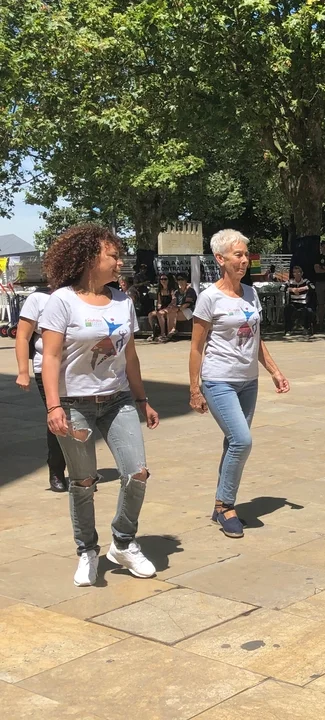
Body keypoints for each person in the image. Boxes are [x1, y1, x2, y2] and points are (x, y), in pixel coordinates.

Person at [39, 224, 160, 587]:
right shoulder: (62, 300)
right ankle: (87, 550)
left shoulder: (123, 301)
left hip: (118, 399)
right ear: (91, 258)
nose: (119, 262)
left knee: (137, 473)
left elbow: (130, 357)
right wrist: (53, 407)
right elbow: (51, 357)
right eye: (113, 256)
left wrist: (142, 400)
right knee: (83, 481)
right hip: (73, 403)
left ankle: (122, 542)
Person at [189, 229, 291, 538]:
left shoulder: (250, 293)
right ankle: (225, 506)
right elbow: (196, 347)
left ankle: (221, 503)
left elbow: (256, 338)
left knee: (233, 442)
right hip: (219, 380)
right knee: (242, 441)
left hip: (249, 381)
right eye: (238, 255)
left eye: (246, 254)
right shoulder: (209, 297)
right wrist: (194, 389)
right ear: (220, 259)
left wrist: (274, 371)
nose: (245, 260)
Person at [15, 284, 68, 492]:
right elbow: (23, 336)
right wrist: (23, 371)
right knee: (58, 417)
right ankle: (56, 469)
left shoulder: (81, 297)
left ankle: (81, 470)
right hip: (45, 368)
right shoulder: (38, 299)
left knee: (80, 416)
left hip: (77, 368)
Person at [162, 275, 197, 341]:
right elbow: (173, 302)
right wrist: (170, 307)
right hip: (178, 310)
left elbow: (187, 304)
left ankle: (171, 332)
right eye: (178, 280)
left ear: (186, 280)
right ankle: (169, 332)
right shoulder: (176, 292)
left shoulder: (190, 290)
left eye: (182, 279)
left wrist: (177, 309)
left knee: (172, 313)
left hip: (190, 310)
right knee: (169, 313)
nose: (180, 281)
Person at [284, 265, 315, 337]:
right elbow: (281, 288)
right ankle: (288, 329)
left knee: (309, 311)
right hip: (293, 303)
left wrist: (301, 289)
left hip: (303, 303)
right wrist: (292, 289)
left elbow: (313, 287)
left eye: (298, 272)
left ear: (301, 273)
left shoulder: (305, 281)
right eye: (295, 272)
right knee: (287, 309)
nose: (297, 274)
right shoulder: (290, 281)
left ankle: (306, 328)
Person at [147, 274, 173, 340]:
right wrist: (158, 306)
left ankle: (163, 333)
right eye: (162, 279)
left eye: (165, 279)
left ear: (168, 280)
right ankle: (154, 331)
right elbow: (159, 302)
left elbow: (173, 301)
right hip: (162, 308)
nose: (163, 281)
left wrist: (167, 308)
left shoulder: (171, 290)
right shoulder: (159, 291)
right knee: (150, 314)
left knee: (160, 313)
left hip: (170, 308)